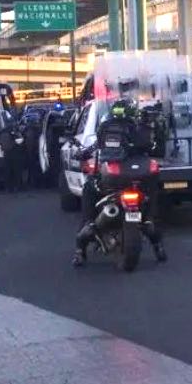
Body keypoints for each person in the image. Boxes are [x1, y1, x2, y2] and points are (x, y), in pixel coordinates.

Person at [73, 99, 166, 267]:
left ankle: (81, 247)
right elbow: (154, 149)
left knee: (88, 191)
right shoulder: (137, 130)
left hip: (112, 183)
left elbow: (93, 149)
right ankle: (157, 245)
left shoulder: (104, 128)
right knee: (152, 204)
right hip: (135, 183)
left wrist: (80, 155)